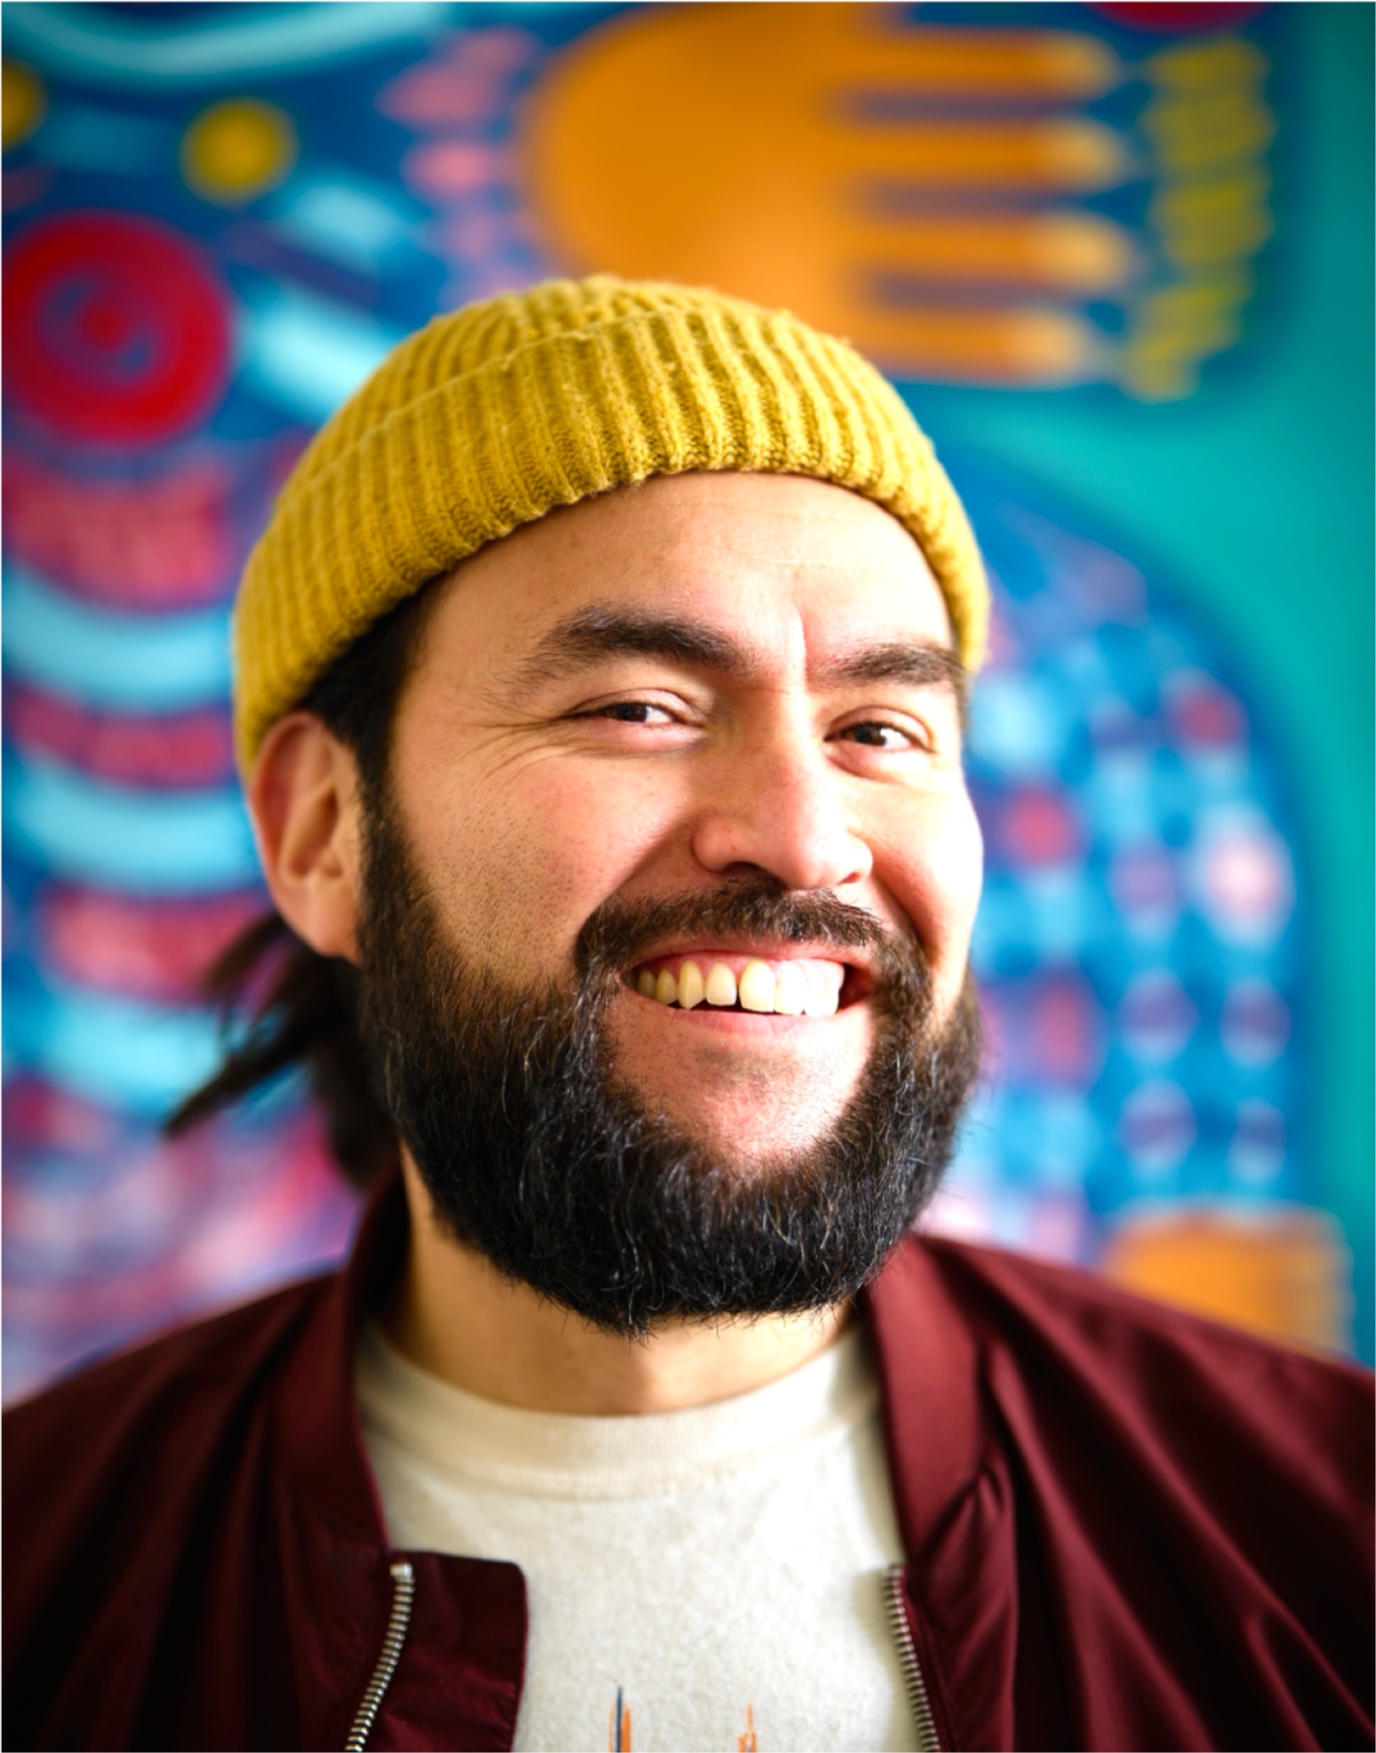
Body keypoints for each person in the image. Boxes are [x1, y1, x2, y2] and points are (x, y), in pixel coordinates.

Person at [4, 277, 1370, 1753]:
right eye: (639, 706)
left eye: (879, 731)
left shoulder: (1318, 1536)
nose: (801, 834)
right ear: (327, 830)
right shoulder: (45, 1585)